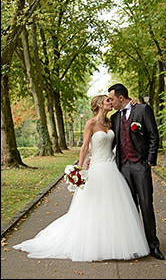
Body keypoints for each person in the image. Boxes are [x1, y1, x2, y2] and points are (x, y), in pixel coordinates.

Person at [13, 95, 150, 262]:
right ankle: (93, 244)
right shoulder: (91, 123)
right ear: (100, 104)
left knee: (113, 207)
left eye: (111, 100)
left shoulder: (111, 122)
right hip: (97, 169)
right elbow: (85, 146)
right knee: (94, 207)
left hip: (112, 168)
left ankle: (111, 243)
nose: (111, 102)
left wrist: (133, 102)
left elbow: (119, 134)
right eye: (108, 100)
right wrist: (79, 166)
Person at [107, 83, 164, 260]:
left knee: (146, 205)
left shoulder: (142, 109)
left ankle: (153, 246)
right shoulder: (115, 118)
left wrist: (149, 161)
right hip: (123, 168)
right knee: (130, 208)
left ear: (121, 98)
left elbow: (154, 136)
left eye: (112, 98)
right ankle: (135, 244)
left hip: (140, 165)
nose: (110, 102)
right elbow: (111, 143)